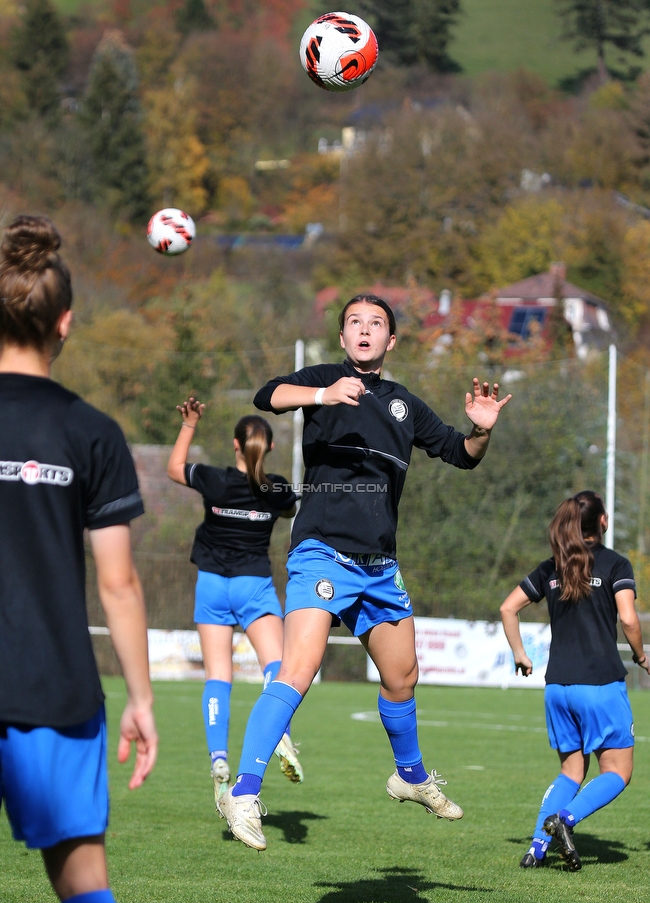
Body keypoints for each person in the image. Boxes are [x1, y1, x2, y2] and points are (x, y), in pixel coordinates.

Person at [217, 293, 511, 850]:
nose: (365, 330)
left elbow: (459, 452)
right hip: (322, 552)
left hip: (379, 566)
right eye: (354, 321)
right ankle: (245, 789)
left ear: (391, 340)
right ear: (344, 334)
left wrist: (482, 430)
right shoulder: (326, 380)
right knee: (298, 669)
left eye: (376, 323)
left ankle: (411, 776)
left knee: (403, 677)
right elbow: (268, 395)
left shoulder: (405, 404)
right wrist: (323, 394)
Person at [0, 215, 158, 903]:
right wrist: (141, 698)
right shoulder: (93, 433)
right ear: (66, 323)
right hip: (53, 687)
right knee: (81, 881)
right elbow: (118, 582)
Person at [500, 490, 650, 871]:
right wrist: (641, 655)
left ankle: (536, 848)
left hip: (557, 688)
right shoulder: (615, 564)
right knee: (617, 771)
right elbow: (629, 619)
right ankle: (564, 820)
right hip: (599, 684)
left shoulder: (553, 567)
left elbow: (508, 607)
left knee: (571, 771)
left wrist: (520, 653)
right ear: (602, 521)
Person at [167, 402, 301, 803]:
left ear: (235, 446)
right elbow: (293, 506)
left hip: (212, 584)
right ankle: (282, 734)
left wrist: (190, 423)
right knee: (277, 665)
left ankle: (219, 757)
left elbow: (174, 468)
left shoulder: (214, 480)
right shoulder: (276, 489)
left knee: (218, 675)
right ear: (270, 447)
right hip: (253, 586)